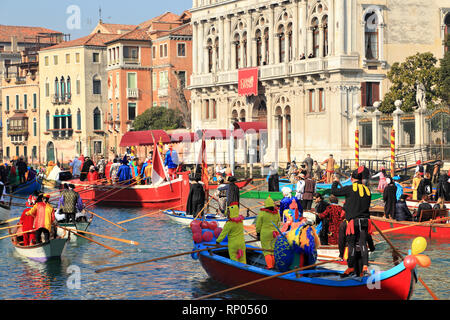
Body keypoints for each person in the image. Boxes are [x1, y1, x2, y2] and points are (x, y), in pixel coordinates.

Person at [331, 167, 372, 277]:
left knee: (352, 245)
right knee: (363, 244)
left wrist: (335, 181)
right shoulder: (368, 190)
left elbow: (334, 192)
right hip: (365, 221)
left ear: (352, 178)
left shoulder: (350, 188)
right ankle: (365, 267)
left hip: (353, 222)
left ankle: (350, 267)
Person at [255, 197, 280, 269]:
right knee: (272, 250)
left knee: (266, 250)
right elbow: (279, 223)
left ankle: (270, 266)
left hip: (265, 234)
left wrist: (258, 234)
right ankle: (273, 265)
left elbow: (258, 225)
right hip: (274, 233)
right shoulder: (277, 212)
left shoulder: (262, 213)